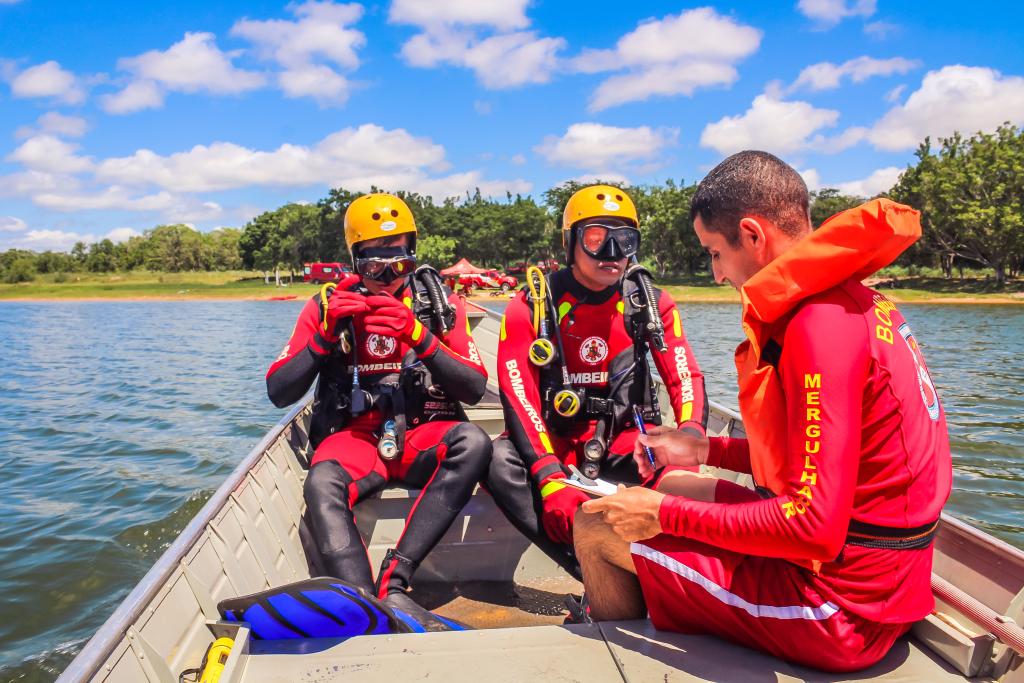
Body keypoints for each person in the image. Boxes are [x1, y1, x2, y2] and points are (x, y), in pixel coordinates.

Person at [575, 151, 953, 672]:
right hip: (885, 579)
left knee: (595, 525)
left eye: (714, 253)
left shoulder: (816, 326)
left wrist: (658, 515)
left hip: (840, 609)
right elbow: (824, 462)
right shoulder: (855, 300)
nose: (715, 273)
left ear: (752, 235)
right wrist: (703, 448)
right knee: (677, 481)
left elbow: (812, 526)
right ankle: (663, 591)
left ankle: (618, 656)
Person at [266, 192, 492, 613]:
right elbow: (279, 391)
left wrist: (418, 336)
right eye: (374, 264)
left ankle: (396, 580)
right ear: (355, 260)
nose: (388, 275)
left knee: (475, 443)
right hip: (355, 437)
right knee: (321, 482)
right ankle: (364, 602)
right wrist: (325, 335)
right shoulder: (326, 306)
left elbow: (475, 388)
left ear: (413, 255)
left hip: (422, 431)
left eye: (400, 263)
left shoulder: (438, 306)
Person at [485, 184, 708, 576]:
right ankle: (589, 567)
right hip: (558, 442)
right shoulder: (532, 307)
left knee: (680, 473)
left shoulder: (650, 304)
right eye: (596, 240)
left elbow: (684, 376)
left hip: (627, 442)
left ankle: (668, 567)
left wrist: (688, 436)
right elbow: (518, 395)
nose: (612, 254)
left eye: (624, 241)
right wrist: (548, 476)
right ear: (571, 243)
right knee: (495, 459)